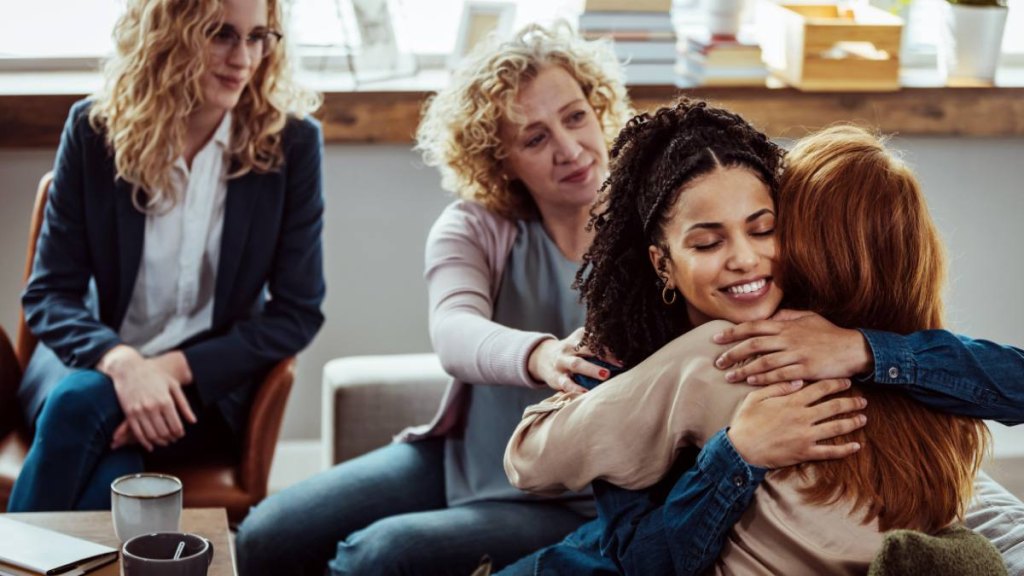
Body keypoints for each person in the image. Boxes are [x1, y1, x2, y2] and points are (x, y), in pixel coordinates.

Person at [235, 24, 861, 576]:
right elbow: (453, 330)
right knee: (267, 534)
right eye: (533, 138)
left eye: (575, 117)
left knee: (375, 555)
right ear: (498, 159)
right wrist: (540, 356)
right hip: (463, 459)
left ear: (600, 110)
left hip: (577, 494)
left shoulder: (666, 232)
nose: (568, 148)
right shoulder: (476, 228)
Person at [504, 103, 1024, 573]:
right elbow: (630, 549)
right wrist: (740, 453)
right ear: (663, 263)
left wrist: (861, 348)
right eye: (708, 242)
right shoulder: (653, 357)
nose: (745, 259)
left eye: (762, 229)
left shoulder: (814, 337)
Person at [9, 0, 325, 512]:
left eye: (258, 37)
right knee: (82, 403)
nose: (243, 58)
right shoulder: (95, 131)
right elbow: (50, 294)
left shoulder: (291, 145)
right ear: (168, 33)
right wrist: (124, 364)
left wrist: (167, 372)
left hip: (201, 388)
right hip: (88, 361)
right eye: (220, 34)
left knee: (94, 441)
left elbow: (296, 312)